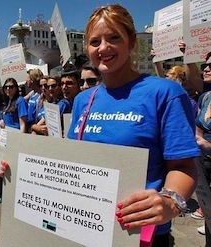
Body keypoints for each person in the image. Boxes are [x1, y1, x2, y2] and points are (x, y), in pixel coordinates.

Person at [65, 5, 199, 246]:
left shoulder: (165, 93)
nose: (103, 48)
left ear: (132, 41)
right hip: (85, 226)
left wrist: (170, 202)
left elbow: (184, 166)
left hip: (138, 233)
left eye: (114, 37)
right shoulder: (83, 100)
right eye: (95, 41)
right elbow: (71, 161)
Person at [193, 52, 211, 240]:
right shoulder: (205, 97)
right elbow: (198, 126)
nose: (206, 69)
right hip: (204, 166)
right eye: (205, 65)